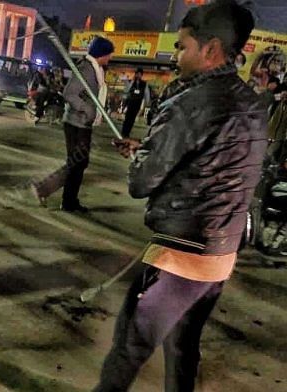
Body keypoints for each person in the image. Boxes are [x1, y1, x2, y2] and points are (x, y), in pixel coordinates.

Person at [99, 1, 267, 390]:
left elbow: (141, 182)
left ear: (209, 50)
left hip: (181, 254)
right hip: (221, 255)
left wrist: (143, 156)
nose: (176, 56)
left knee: (128, 348)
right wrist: (151, 146)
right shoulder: (251, 103)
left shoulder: (190, 101)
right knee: (183, 349)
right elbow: (214, 163)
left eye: (182, 47)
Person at [31, 36, 114, 211]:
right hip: (76, 123)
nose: (110, 58)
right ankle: (50, 192)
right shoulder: (86, 69)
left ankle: (67, 200)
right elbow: (69, 93)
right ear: (102, 53)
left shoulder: (95, 69)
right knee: (77, 163)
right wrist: (87, 109)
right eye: (109, 54)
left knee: (78, 163)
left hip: (83, 123)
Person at [120, 68, 150, 138]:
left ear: (141, 75)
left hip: (138, 102)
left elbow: (146, 93)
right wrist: (131, 81)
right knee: (127, 117)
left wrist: (147, 102)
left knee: (132, 119)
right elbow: (127, 90)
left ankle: (127, 132)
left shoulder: (144, 84)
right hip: (130, 101)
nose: (138, 75)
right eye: (137, 74)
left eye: (140, 74)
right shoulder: (131, 82)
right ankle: (124, 132)